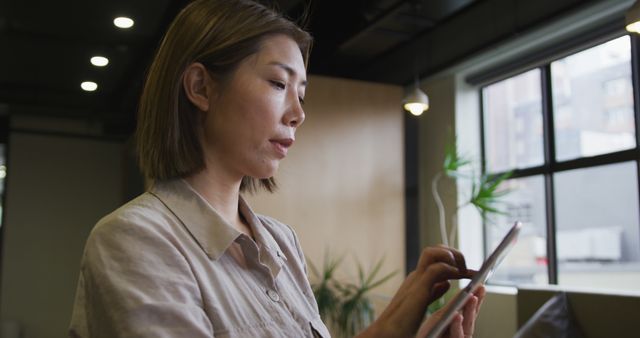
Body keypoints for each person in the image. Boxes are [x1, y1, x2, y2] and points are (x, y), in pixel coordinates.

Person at [69, 0, 485, 337]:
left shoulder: (280, 241)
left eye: (301, 93)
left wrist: (402, 316)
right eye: (278, 84)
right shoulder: (135, 240)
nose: (298, 113)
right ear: (200, 87)